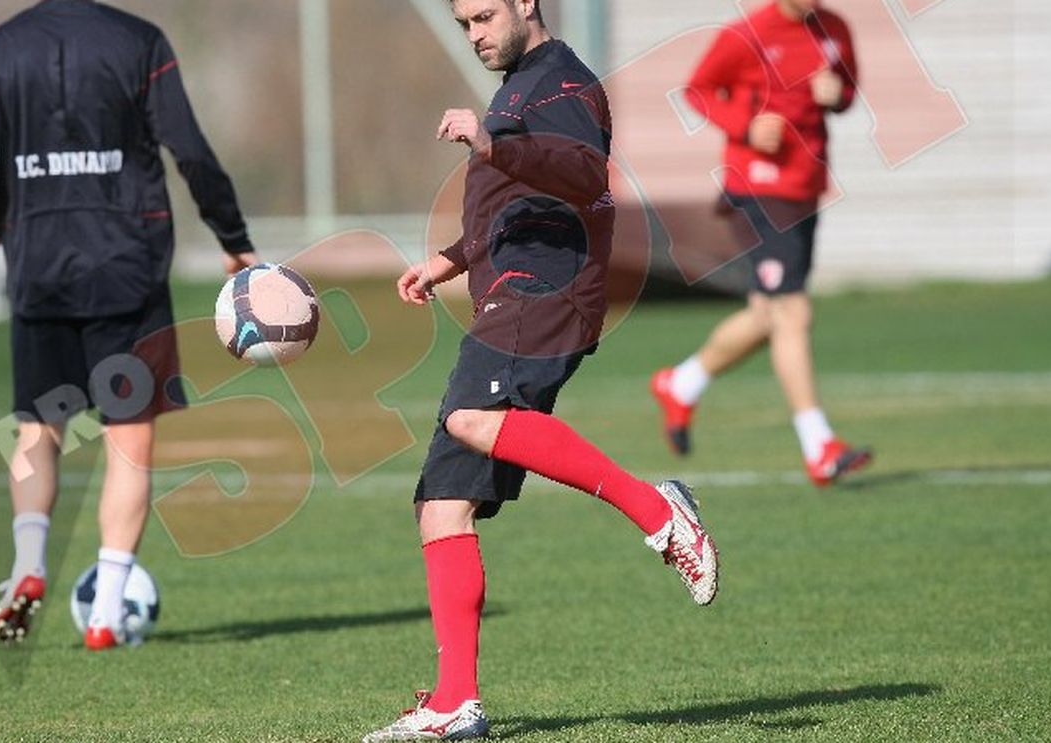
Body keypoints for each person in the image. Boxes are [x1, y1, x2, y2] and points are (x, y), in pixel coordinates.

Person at [363, 1, 719, 740]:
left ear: (527, 1)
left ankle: (657, 512)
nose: (475, 34)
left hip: (544, 287)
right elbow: (517, 199)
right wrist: (450, 260)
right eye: (463, 23)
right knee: (442, 508)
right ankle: (456, 703)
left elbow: (581, 170)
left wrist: (491, 143)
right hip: (510, 285)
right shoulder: (519, 86)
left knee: (471, 417)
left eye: (484, 15)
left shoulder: (561, 82)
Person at [0, 0, 257, 650]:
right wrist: (232, 236)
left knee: (38, 429)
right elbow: (190, 151)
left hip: (38, 267)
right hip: (127, 269)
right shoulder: (140, 40)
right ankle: (106, 611)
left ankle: (28, 564)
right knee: (128, 440)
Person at [651, 0, 872, 486]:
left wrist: (837, 95)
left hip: (805, 186)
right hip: (756, 187)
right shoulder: (746, 34)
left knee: (768, 314)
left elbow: (848, 91)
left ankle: (681, 383)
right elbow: (698, 89)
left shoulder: (835, 28)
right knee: (792, 312)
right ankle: (820, 446)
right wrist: (746, 125)